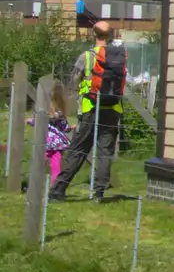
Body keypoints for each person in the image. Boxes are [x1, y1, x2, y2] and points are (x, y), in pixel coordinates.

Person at [50, 21, 127, 202]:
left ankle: (58, 190)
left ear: (94, 34)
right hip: (113, 108)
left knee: (78, 150)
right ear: (109, 35)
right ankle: (99, 193)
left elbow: (74, 82)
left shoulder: (87, 56)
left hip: (90, 108)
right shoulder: (118, 57)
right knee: (105, 151)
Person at [24, 81, 72, 188]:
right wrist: (69, 128)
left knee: (39, 165)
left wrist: (30, 121)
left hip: (45, 143)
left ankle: (34, 186)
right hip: (57, 144)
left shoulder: (45, 108)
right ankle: (54, 186)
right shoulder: (60, 110)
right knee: (56, 167)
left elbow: (39, 121)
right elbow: (64, 126)